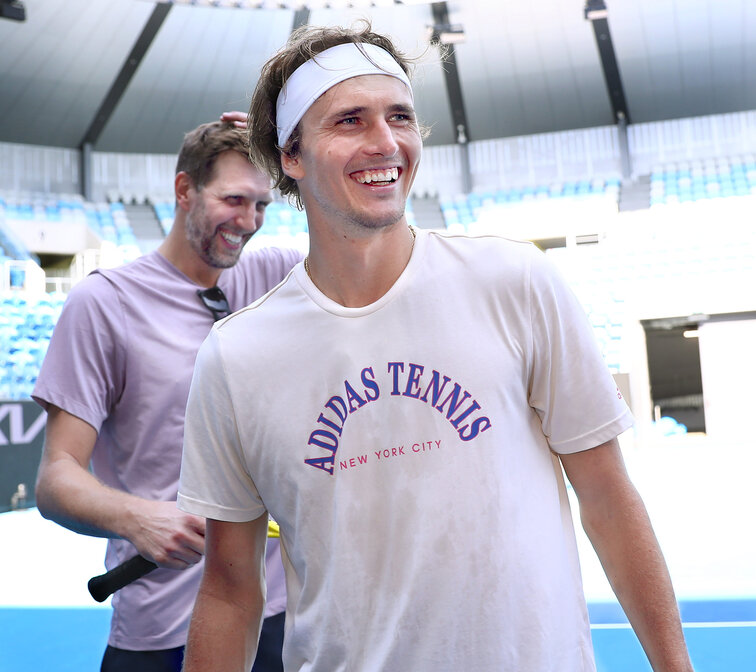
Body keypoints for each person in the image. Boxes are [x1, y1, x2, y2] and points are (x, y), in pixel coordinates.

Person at [177, 23, 694, 672]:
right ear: (291, 155)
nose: (386, 141)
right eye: (350, 120)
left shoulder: (514, 282)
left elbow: (609, 499)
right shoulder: (237, 357)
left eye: (400, 116)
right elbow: (229, 588)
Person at [33, 117, 301, 672]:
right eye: (233, 200)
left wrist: (294, 150)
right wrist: (139, 519)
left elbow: (364, 241)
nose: (248, 222)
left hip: (276, 616)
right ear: (184, 191)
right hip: (163, 631)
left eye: (261, 204)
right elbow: (55, 479)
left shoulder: (274, 273)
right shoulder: (104, 303)